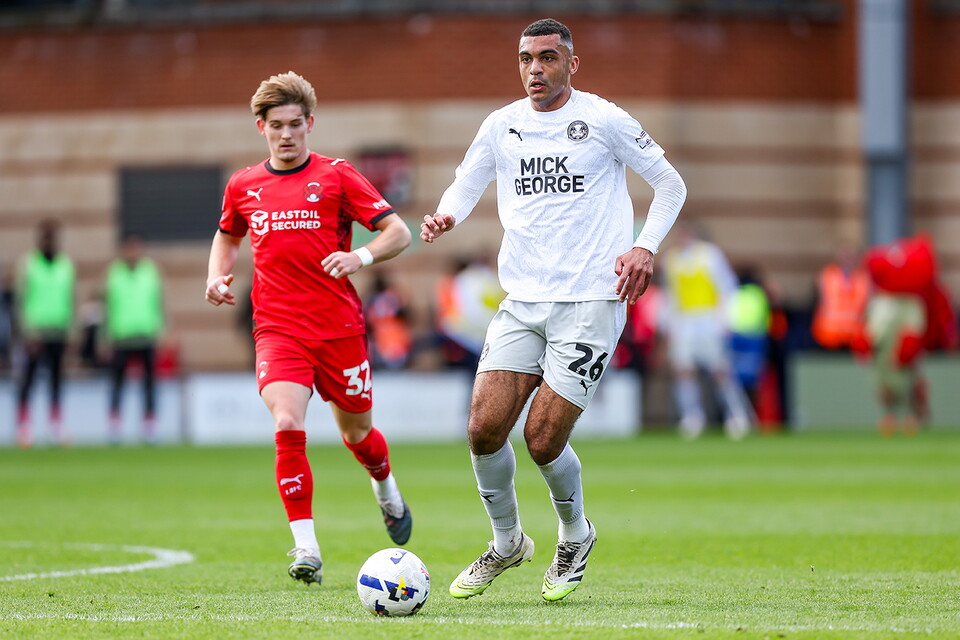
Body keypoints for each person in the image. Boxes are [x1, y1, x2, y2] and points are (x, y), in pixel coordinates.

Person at [420, 18, 685, 602]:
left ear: (571, 64)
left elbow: (671, 186)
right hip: (521, 301)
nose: (534, 69)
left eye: (546, 58)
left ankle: (574, 532)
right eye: (525, 59)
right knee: (483, 430)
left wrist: (644, 247)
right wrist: (446, 215)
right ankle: (507, 542)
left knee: (541, 439)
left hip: (591, 301)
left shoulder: (605, 120)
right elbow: (466, 184)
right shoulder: (501, 125)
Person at [205, 71, 413, 586]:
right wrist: (216, 274)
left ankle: (385, 487)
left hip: (339, 329)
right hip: (278, 330)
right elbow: (227, 235)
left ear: (310, 123)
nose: (287, 134)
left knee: (358, 435)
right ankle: (306, 548)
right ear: (262, 128)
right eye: (277, 126)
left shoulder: (338, 176)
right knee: (286, 423)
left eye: (296, 124)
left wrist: (359, 254)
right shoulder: (243, 185)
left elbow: (399, 231)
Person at [857, 233, 957, 436]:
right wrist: (865, 339)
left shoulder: (913, 303)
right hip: (884, 352)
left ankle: (912, 415)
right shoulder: (881, 301)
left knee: (908, 376)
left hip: (903, 351)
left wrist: (914, 341)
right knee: (883, 379)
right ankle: (889, 415)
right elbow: (870, 325)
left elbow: (927, 318)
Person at [660, 221, 751, 440]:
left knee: (720, 371)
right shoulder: (671, 260)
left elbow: (726, 286)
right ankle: (692, 417)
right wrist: (669, 325)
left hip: (709, 319)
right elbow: (670, 294)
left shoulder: (710, 255)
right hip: (684, 322)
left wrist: (725, 320)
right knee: (683, 371)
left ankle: (737, 415)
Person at [15, 219, 75, 448]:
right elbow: (21, 301)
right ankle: (24, 426)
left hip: (58, 330)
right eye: (46, 237)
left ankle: (56, 425)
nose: (49, 242)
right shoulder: (28, 264)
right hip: (35, 331)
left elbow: (70, 300)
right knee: (28, 380)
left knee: (57, 381)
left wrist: (71, 330)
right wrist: (26, 331)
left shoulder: (66, 265)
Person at [104, 234, 165, 444]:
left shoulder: (150, 272)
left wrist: (160, 329)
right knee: (118, 382)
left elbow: (158, 302)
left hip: (145, 333)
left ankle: (149, 423)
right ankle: (115, 423)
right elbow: (108, 306)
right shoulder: (115, 273)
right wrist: (106, 335)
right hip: (121, 334)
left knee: (149, 382)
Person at [811, 242, 869, 350]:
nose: (847, 259)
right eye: (845, 255)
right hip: (828, 336)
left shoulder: (864, 278)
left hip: (855, 337)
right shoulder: (826, 275)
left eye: (851, 255)